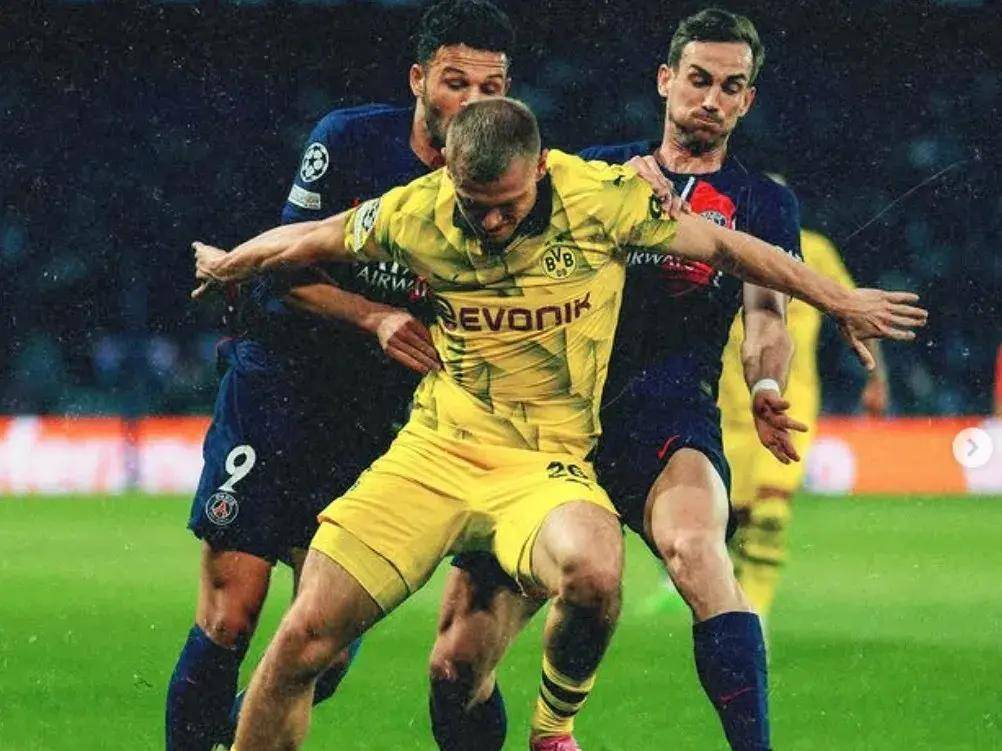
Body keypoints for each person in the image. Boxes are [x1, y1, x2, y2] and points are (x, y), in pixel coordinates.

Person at [191, 96, 926, 751]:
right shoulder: (415, 209)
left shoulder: (601, 200)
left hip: (543, 466)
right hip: (433, 455)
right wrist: (230, 263)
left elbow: (730, 247)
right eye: (474, 204)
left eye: (506, 204)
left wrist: (838, 300)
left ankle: (552, 728)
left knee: (595, 570)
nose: (490, 222)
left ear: (539, 168)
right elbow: (310, 237)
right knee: (302, 644)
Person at [422, 9, 877, 751]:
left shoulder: (764, 203)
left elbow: (767, 318)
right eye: (698, 79)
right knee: (454, 664)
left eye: (731, 87)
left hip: (669, 414)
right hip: (554, 420)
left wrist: (766, 388)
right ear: (666, 80)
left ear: (747, 100)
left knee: (699, 550)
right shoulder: (592, 168)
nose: (711, 99)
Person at [165, 2, 514, 748]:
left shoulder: (504, 187)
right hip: (278, 389)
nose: (472, 103)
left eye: (491, 88)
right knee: (230, 616)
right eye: (456, 83)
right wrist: (373, 316)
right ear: (419, 80)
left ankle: (236, 732)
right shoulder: (350, 141)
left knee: (321, 650)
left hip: (375, 423)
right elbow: (283, 272)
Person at [723, 225, 888, 627]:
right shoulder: (723, 241)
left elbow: (853, 308)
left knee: (771, 513)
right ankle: (738, 601)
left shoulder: (814, 249)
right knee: (736, 518)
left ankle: (755, 618)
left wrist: (876, 377)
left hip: (792, 400)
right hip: (728, 405)